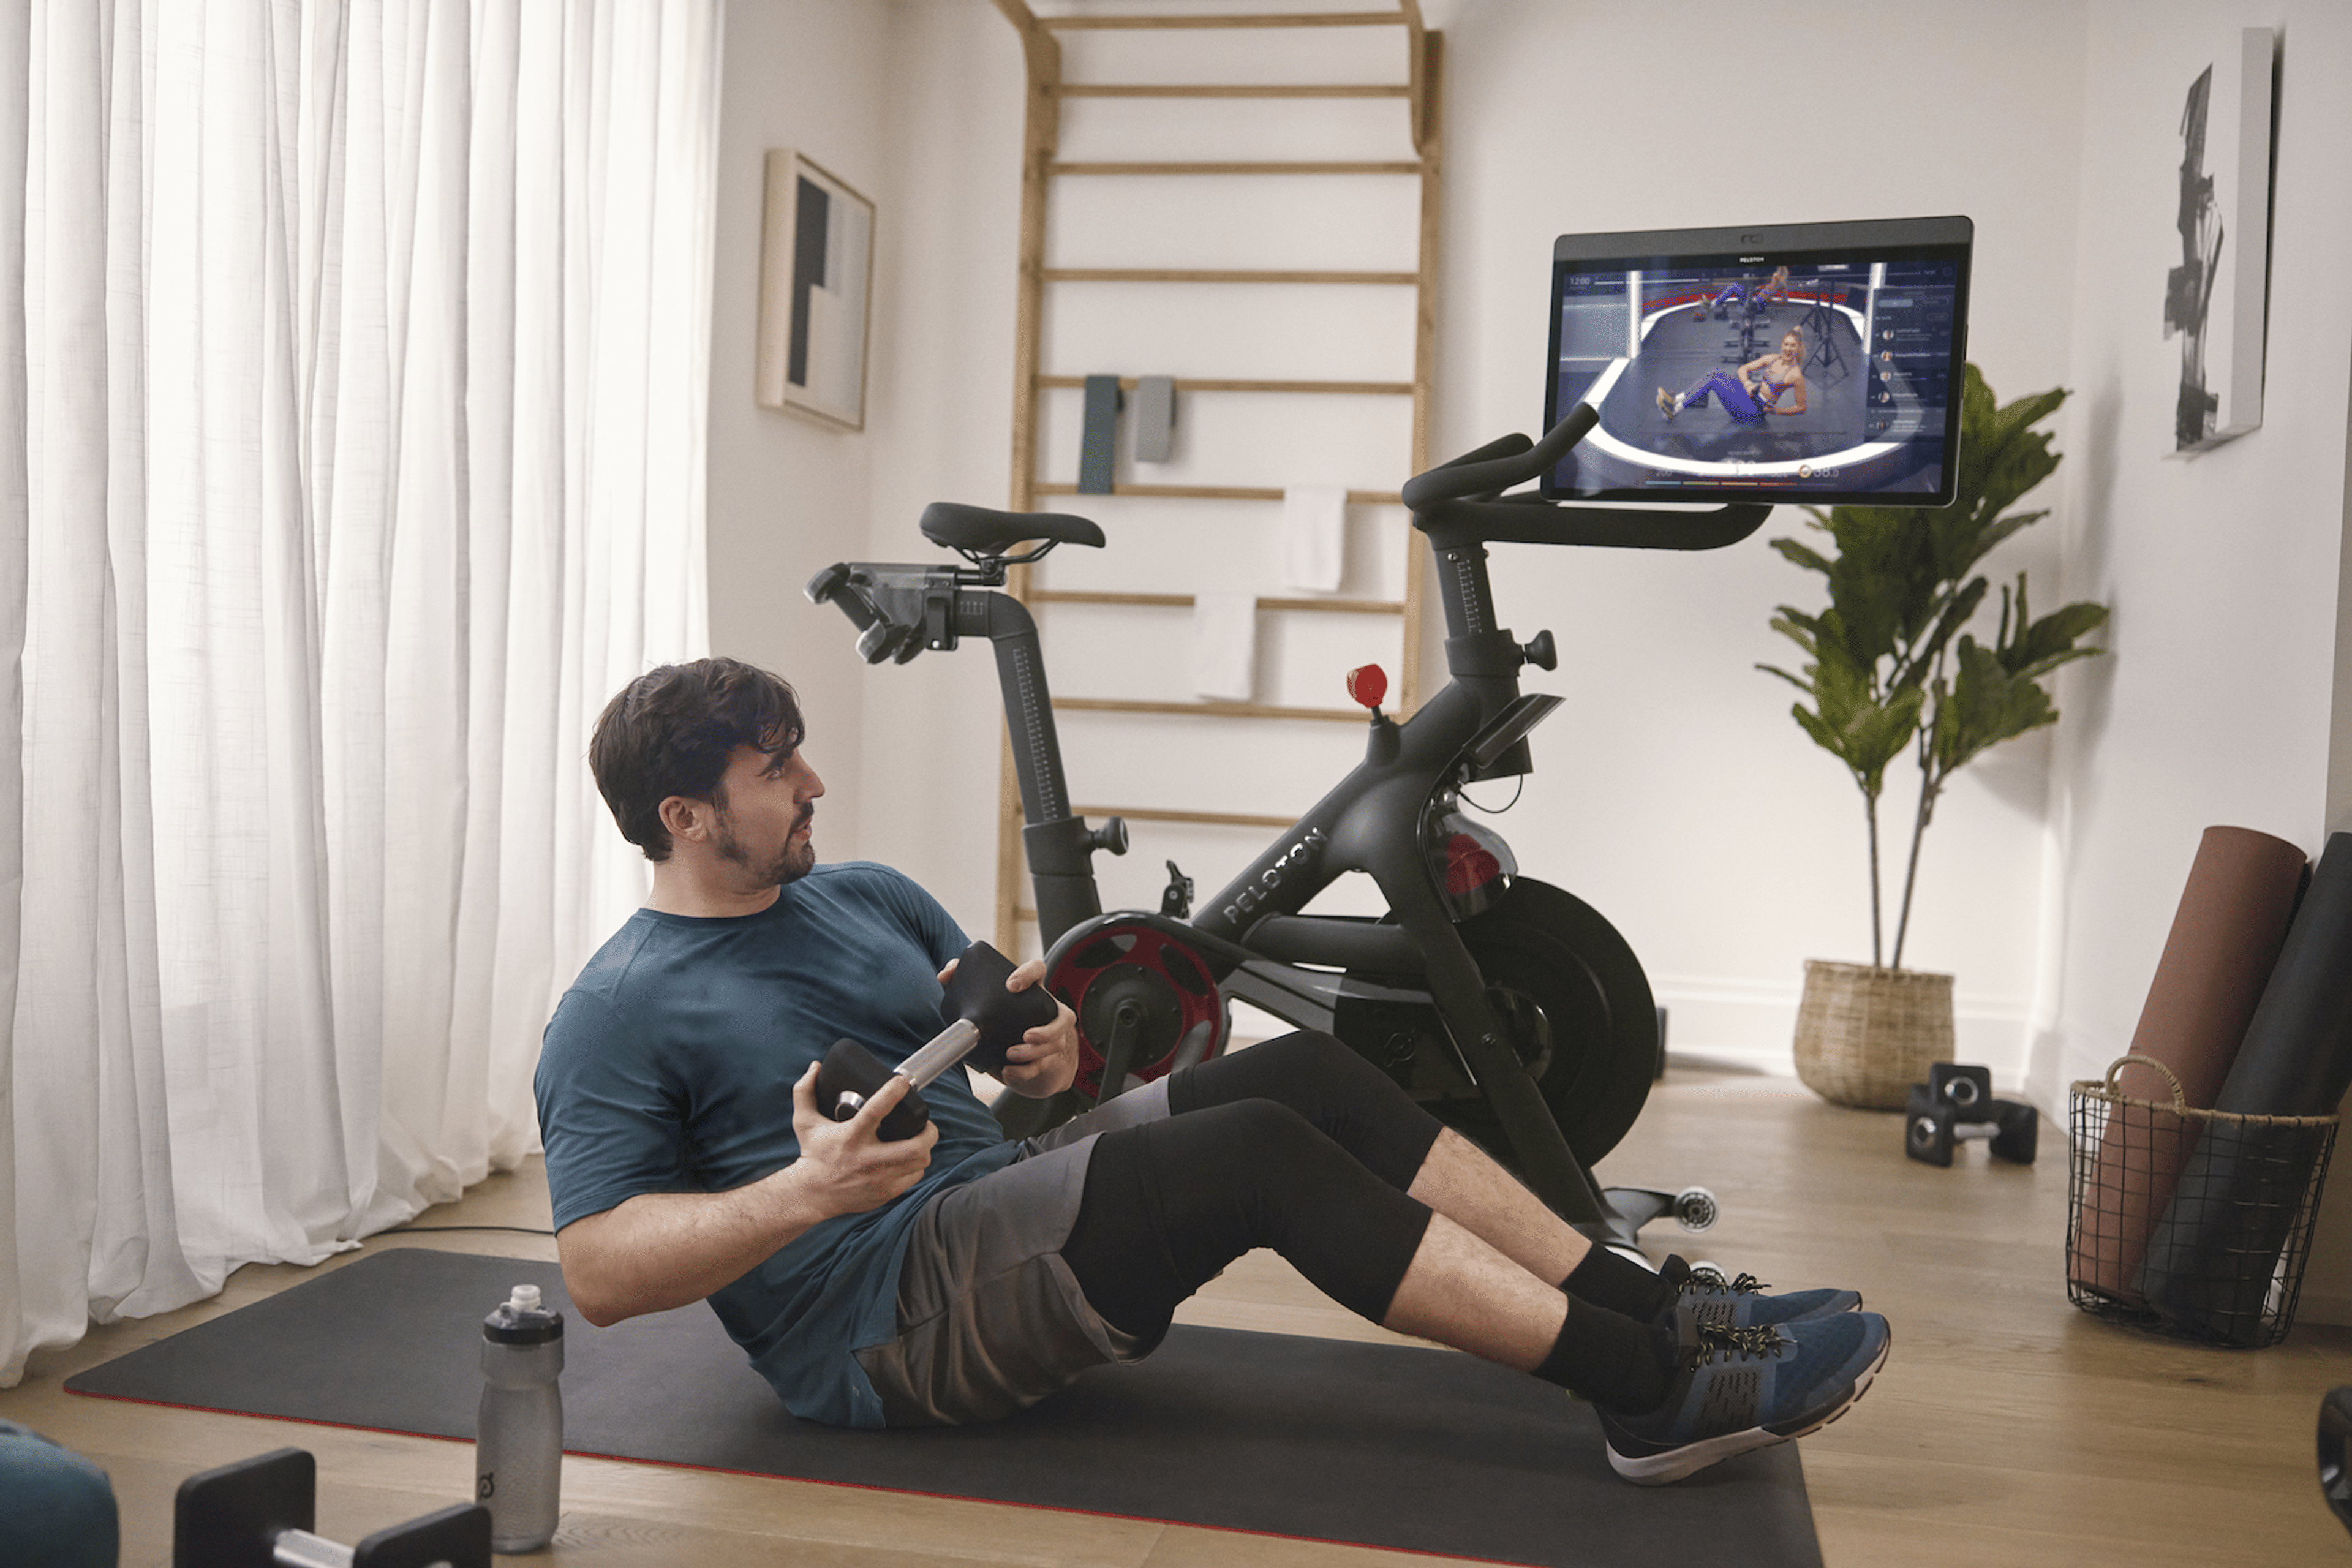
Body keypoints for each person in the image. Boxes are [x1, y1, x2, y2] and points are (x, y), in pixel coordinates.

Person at [536, 658, 1890, 1485]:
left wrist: (1053, 1053)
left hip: (995, 1193)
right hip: (885, 1322)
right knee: (1253, 1159)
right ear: (687, 815)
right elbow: (597, 1269)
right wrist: (799, 1198)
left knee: (1303, 1073)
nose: (814, 781)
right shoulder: (613, 1008)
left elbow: (1023, 1048)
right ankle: (1648, 1390)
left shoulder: (867, 893)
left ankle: (1658, 1309)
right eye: (777, 770)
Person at [1657, 328, 1811, 428]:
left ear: (1799, 348)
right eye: (1786, 344)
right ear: (1782, 345)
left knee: (1713, 381)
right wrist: (1748, 384)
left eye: (1793, 346)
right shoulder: (1773, 358)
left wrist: (1777, 412)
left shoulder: (1796, 375)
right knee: (1713, 372)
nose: (1788, 349)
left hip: (1753, 412)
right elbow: (1743, 369)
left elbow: (1802, 408)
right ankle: (1676, 399)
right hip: (1749, 395)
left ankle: (1675, 411)